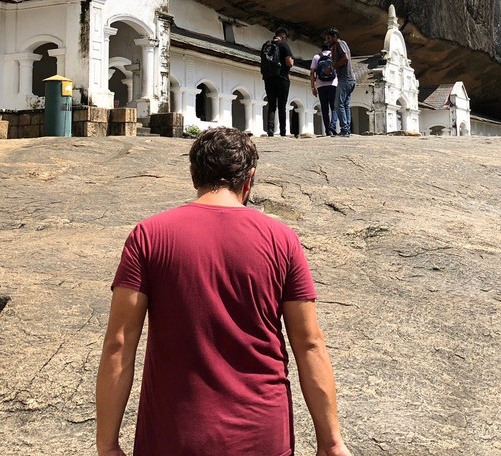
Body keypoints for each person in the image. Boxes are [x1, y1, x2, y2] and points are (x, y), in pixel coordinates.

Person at [96, 127, 352, 456]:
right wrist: (331, 443)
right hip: (261, 436)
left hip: (173, 436)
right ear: (249, 180)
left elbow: (119, 344)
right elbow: (309, 344)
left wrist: (107, 445)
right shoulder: (282, 240)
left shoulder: (149, 236)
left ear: (193, 176)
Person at [261, 27, 294, 137]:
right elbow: (289, 63)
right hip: (282, 78)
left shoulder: (266, 45)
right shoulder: (283, 45)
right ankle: (283, 131)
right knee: (282, 106)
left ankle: (270, 130)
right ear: (283, 36)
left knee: (271, 105)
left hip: (268, 78)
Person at [325, 28, 355, 137]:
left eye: (329, 38)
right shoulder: (341, 45)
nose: (327, 41)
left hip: (345, 79)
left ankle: (344, 129)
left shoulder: (339, 44)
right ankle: (347, 129)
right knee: (345, 105)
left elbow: (345, 58)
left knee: (337, 104)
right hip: (350, 80)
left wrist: (332, 67)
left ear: (335, 37)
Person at [310, 42, 339, 136]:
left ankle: (328, 130)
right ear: (330, 48)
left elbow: (312, 73)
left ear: (321, 48)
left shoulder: (316, 57)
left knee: (324, 108)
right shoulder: (334, 56)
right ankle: (332, 125)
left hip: (320, 85)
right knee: (334, 107)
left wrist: (313, 87)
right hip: (333, 84)